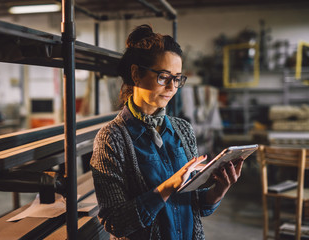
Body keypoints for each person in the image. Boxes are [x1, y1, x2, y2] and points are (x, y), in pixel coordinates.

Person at [90, 24, 243, 240]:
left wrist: (219, 189)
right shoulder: (111, 138)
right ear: (136, 74)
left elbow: (194, 204)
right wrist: (167, 188)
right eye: (163, 76)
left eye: (177, 78)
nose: (172, 87)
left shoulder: (183, 129)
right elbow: (115, 222)